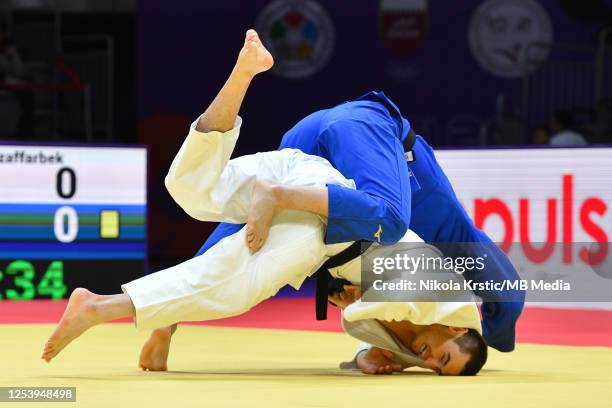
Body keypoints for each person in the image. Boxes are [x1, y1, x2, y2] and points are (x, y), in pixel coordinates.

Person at [42, 30, 486, 376]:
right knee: (238, 283)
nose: (429, 362)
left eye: (435, 370)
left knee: (193, 188)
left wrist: (370, 356)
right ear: (458, 329)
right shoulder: (443, 290)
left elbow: (365, 333)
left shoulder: (416, 338)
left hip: (308, 177)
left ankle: (244, 72)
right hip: (324, 220)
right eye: (442, 358)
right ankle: (98, 307)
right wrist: (358, 303)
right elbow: (371, 304)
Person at [188, 31, 524, 352]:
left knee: (254, 223)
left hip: (307, 140)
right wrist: (488, 341)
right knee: (390, 220)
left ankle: (175, 300)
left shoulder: (399, 273)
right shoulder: (440, 229)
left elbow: (242, 226)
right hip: (357, 134)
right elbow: (505, 292)